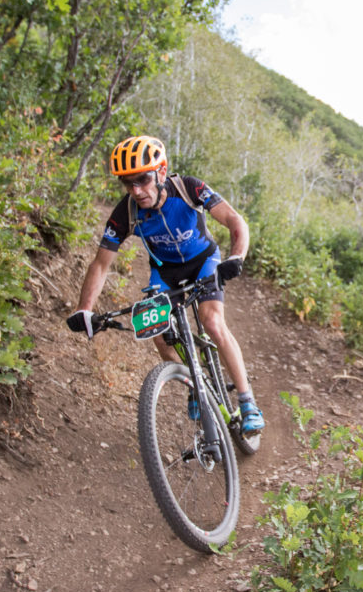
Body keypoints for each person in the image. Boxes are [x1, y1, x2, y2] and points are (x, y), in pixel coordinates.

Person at [66, 135, 264, 434]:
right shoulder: (126, 212)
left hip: (203, 262)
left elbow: (236, 221)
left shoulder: (188, 188)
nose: (136, 190)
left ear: (160, 171)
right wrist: (85, 309)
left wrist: (237, 256)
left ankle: (248, 402)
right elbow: (100, 264)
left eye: (143, 180)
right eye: (128, 183)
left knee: (212, 322)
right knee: (157, 331)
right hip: (165, 272)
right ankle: (195, 384)